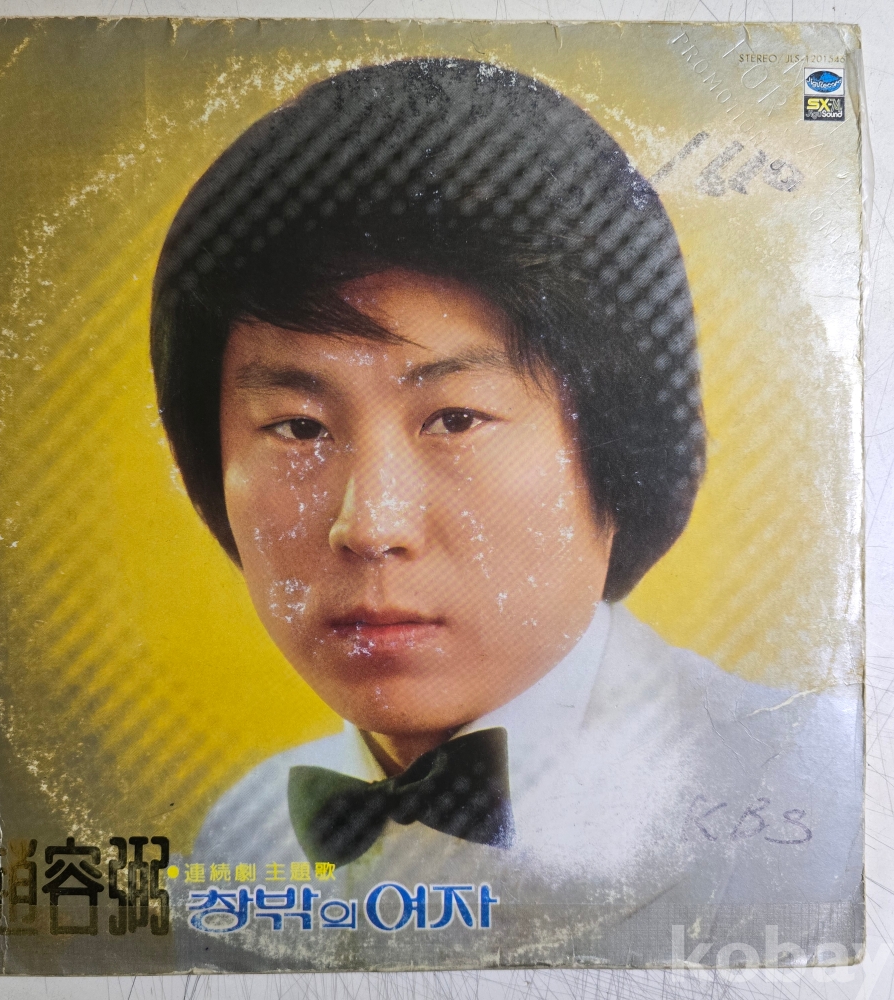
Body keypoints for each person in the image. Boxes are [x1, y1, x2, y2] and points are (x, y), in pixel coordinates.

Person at [151, 58, 862, 967]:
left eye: (455, 419)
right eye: (298, 427)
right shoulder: (243, 839)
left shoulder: (830, 791)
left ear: (617, 451)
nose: (370, 527)